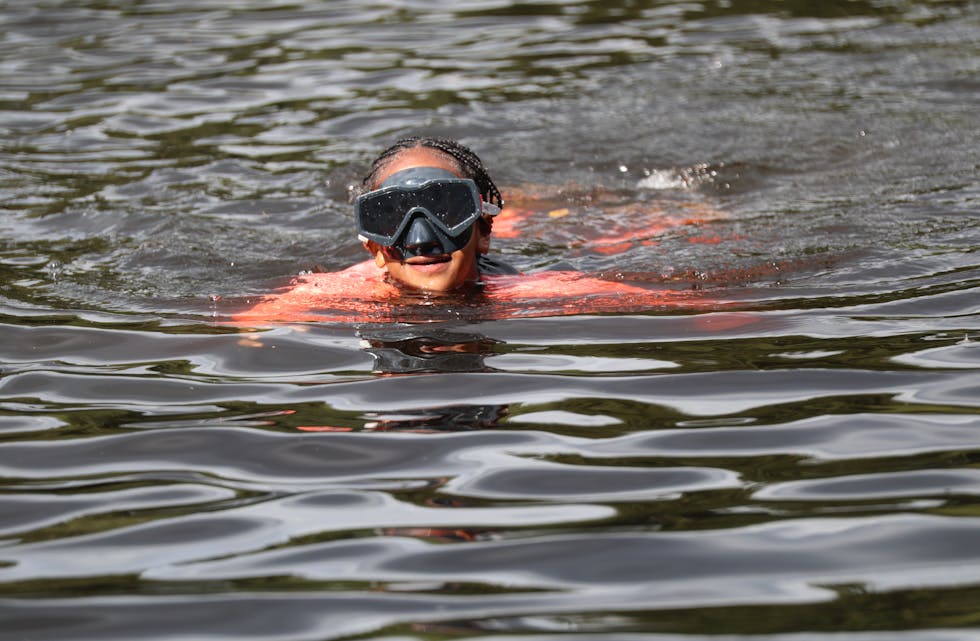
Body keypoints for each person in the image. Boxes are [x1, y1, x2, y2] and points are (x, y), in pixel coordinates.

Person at [354, 136, 519, 292]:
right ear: (374, 248)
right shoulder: (339, 296)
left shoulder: (528, 292)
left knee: (514, 222)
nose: (420, 241)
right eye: (396, 218)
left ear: (484, 233)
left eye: (444, 213)